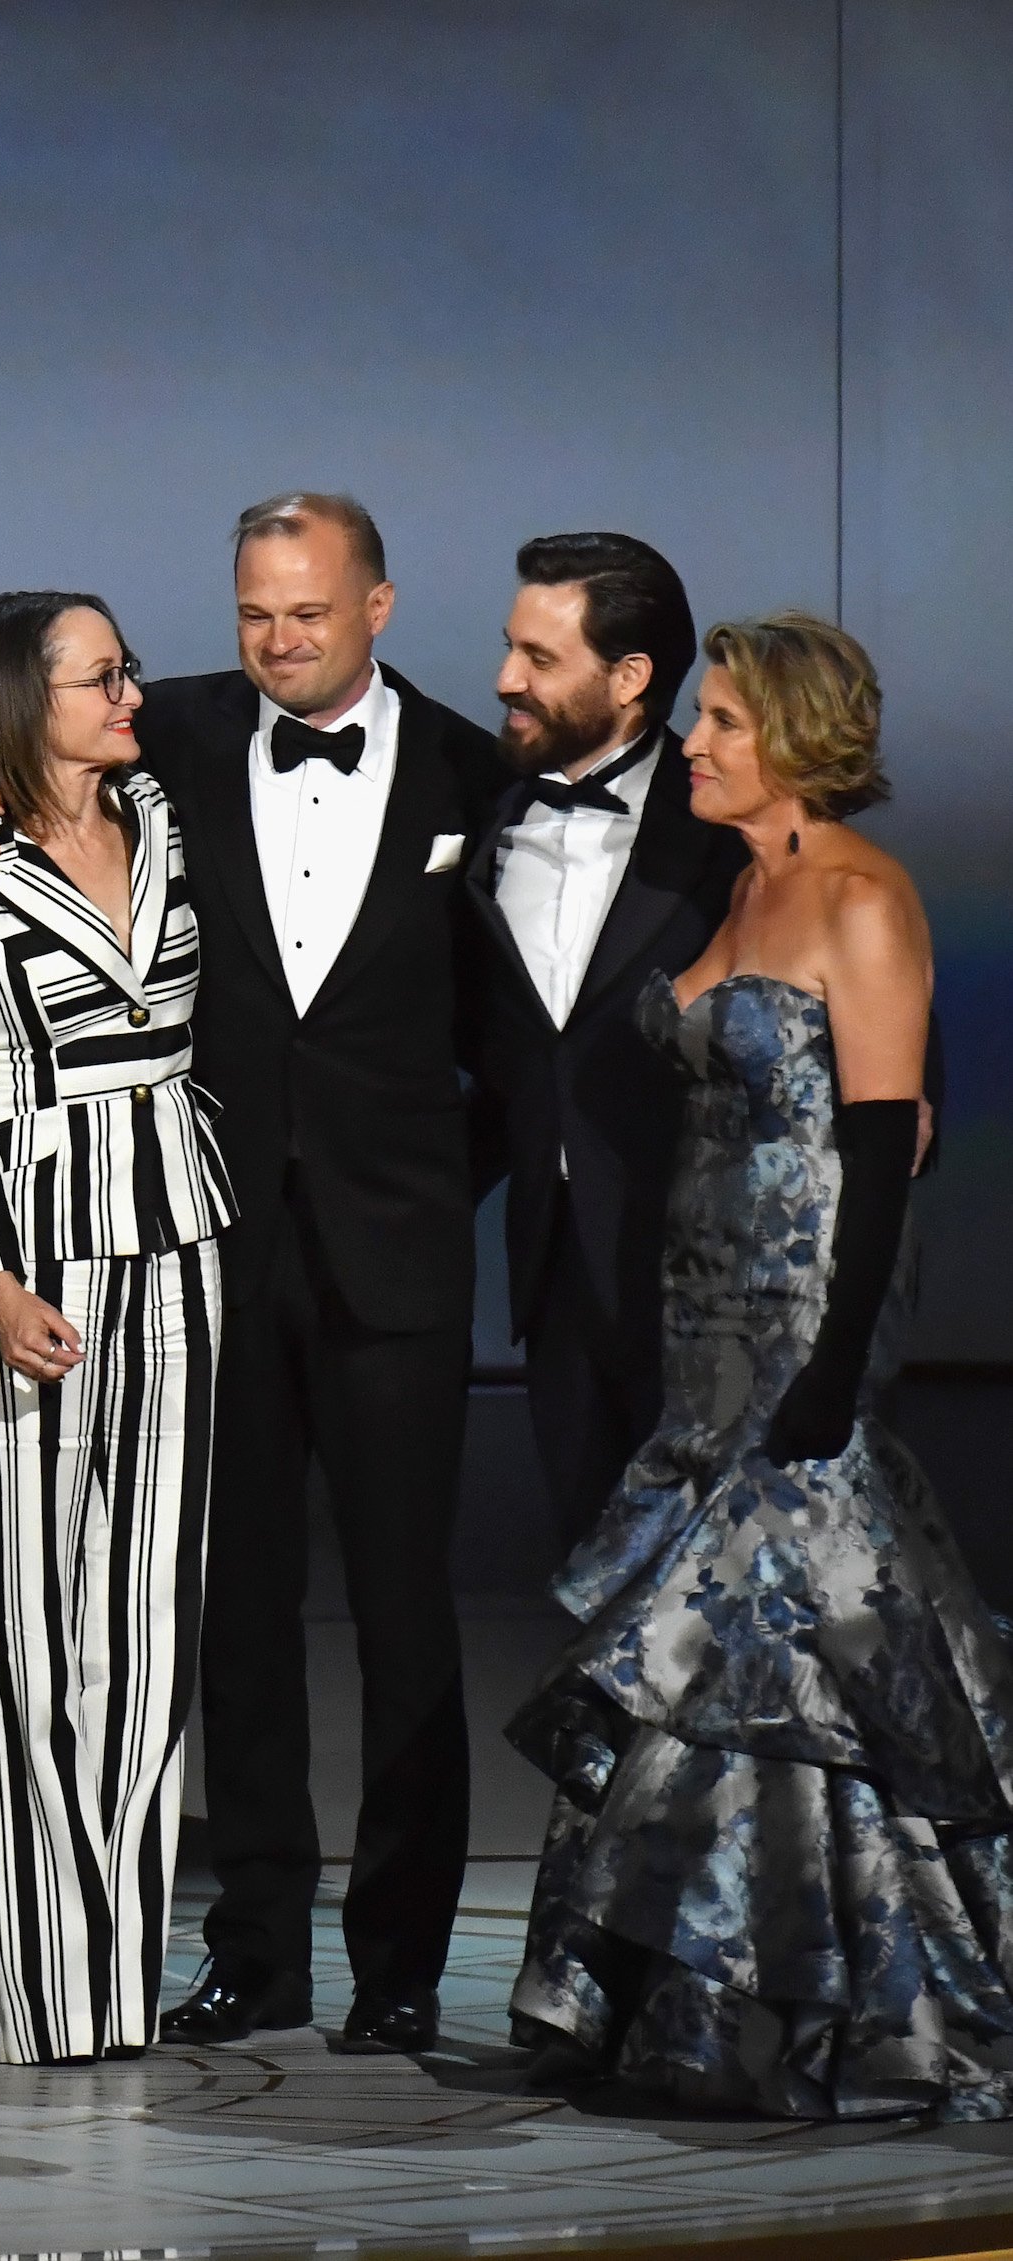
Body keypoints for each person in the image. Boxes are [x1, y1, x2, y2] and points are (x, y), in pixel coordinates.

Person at [0, 491, 507, 2055]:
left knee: (400, 1619)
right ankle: (250, 1945)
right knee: (220, 1614)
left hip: (387, 1255)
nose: (277, 638)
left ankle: (400, 1961)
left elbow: (512, 1032)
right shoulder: (162, 732)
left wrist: (435, 1190)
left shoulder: (467, 771)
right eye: (252, 611)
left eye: (307, 609)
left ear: (378, 604)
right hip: (202, 1253)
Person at [507, 612, 1013, 2119]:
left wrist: (835, 1366)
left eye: (723, 720)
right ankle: (688, 2001)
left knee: (791, 1638)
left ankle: (847, 2008)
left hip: (805, 1309)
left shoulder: (864, 895)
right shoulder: (747, 878)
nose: (701, 743)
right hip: (699, 1314)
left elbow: (883, 1146)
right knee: (711, 1651)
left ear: (793, 735)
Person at [0, 591, 232, 2066]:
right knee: (33, 1643)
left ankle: (120, 1988)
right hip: (33, 1276)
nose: (131, 693)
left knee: (148, 1640)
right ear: (27, 701)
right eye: (101, 677)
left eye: (128, 670)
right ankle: (47, 2000)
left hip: (180, 1253)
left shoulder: (160, 808)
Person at [464, 534, 746, 1549]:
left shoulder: (729, 827)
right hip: (557, 1273)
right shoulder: (493, 820)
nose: (505, 679)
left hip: (708, 1275)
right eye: (511, 648)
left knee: (716, 1581)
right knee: (591, 1568)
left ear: (629, 679)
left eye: (540, 660)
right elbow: (501, 1057)